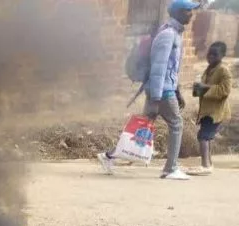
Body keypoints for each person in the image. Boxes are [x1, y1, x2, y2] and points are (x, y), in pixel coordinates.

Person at [98, 0, 201, 180]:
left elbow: (171, 68)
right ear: (177, 13)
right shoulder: (168, 35)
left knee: (142, 127)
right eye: (187, 11)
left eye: (191, 11)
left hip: (165, 89)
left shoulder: (175, 33)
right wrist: (156, 96)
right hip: (162, 91)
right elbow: (158, 69)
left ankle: (108, 156)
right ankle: (170, 168)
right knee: (177, 124)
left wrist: (178, 92)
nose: (191, 14)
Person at [190, 41, 232, 176]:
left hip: (215, 111)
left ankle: (205, 165)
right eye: (210, 53)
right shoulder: (208, 69)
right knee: (206, 136)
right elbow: (201, 88)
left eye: (215, 54)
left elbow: (225, 90)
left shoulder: (223, 70)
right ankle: (209, 164)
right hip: (207, 110)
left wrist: (205, 88)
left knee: (203, 136)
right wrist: (197, 89)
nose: (211, 56)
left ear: (222, 55)